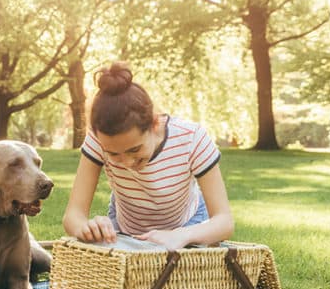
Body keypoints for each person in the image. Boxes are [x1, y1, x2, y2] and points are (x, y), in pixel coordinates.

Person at [62, 62, 234, 250]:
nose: (127, 163)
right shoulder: (97, 139)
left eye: (134, 150)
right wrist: (87, 229)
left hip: (187, 226)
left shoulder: (191, 139)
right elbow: (73, 216)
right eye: (113, 153)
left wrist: (180, 236)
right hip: (125, 228)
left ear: (154, 124)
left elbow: (224, 221)